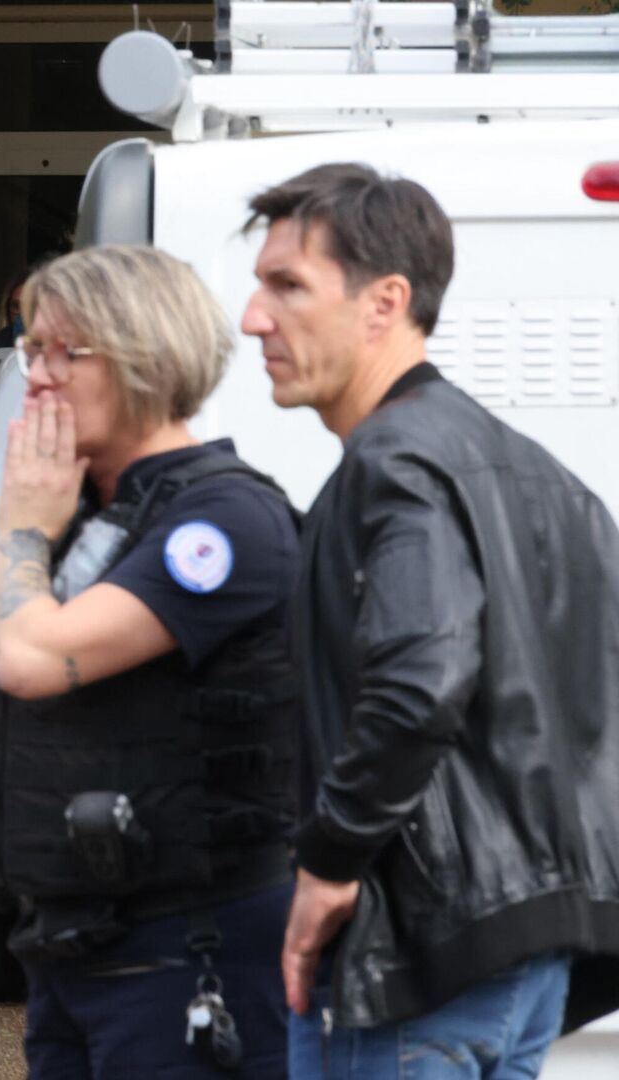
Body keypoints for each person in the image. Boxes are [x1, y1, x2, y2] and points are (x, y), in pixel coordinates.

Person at [0, 246, 302, 1078]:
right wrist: (13, 540)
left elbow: (35, 661)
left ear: (144, 359)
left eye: (58, 354)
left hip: (191, 948)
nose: (30, 377)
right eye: (27, 349)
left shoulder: (222, 520)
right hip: (72, 948)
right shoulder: (76, 521)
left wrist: (30, 534)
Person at [244, 164, 619, 1078]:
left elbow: (418, 686)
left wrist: (328, 866)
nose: (254, 317)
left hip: (414, 954)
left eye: (287, 284)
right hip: (528, 950)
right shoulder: (542, 475)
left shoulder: (395, 464)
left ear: (387, 301)